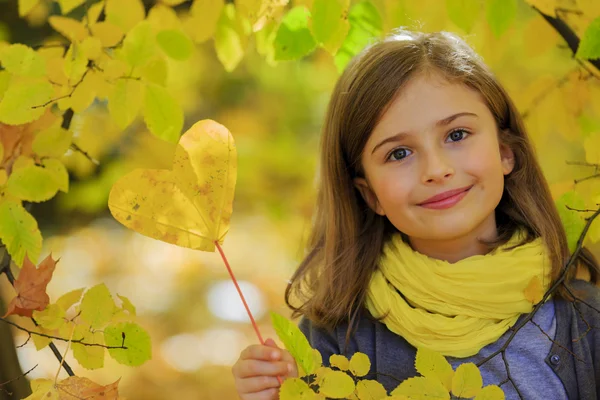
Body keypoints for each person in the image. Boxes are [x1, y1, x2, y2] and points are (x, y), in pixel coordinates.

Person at [231, 29, 600, 399]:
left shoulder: (586, 320)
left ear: (505, 151)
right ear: (369, 193)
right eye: (399, 154)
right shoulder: (333, 339)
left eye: (457, 135)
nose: (436, 169)